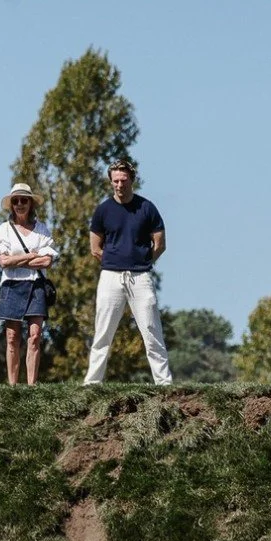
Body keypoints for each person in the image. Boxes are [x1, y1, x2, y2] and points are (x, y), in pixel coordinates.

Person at [83, 159, 172, 385]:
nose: (119, 185)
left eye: (123, 180)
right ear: (110, 182)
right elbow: (95, 247)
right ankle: (92, 383)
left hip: (140, 277)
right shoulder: (103, 210)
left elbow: (159, 243)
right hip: (110, 277)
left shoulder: (147, 208)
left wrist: (141, 260)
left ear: (132, 180)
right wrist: (115, 260)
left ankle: (164, 383)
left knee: (152, 330)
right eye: (115, 181)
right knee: (103, 331)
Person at [0, 184, 58, 386]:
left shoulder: (42, 229)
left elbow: (47, 261)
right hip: (11, 285)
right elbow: (3, 262)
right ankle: (12, 385)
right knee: (12, 337)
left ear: (31, 203)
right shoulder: (4, 230)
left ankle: (31, 384)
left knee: (35, 335)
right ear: (11, 205)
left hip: (36, 285)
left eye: (24, 200)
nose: (19, 204)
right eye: (16, 200)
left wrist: (16, 259)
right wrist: (31, 256)